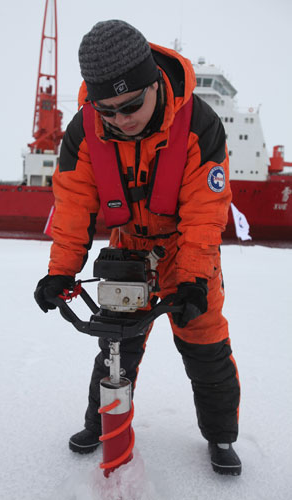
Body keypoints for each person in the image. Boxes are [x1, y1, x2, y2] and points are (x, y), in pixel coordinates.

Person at [34, 20, 241, 476]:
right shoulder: (83, 132)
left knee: (205, 346)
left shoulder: (200, 126)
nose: (121, 119)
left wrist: (190, 280)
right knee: (116, 347)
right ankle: (101, 424)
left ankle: (221, 436)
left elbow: (206, 215)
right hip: (127, 252)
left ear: (154, 83)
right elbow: (72, 207)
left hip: (188, 251)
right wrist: (61, 272)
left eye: (130, 105)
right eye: (107, 110)